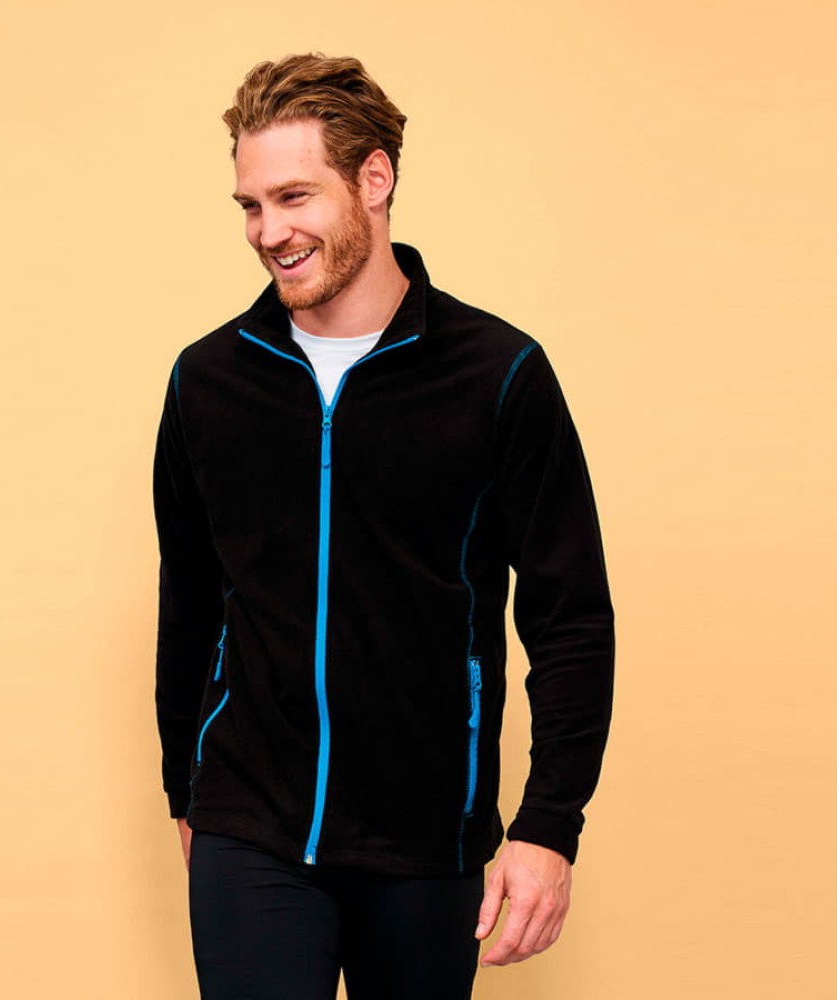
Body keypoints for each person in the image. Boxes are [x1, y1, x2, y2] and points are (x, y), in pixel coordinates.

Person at [153, 53, 614, 1000]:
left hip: (426, 838)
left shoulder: (498, 375)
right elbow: (190, 598)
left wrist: (548, 827)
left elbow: (570, 616)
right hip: (250, 825)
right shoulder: (210, 380)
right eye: (250, 206)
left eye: (294, 197)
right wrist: (186, 792)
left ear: (374, 178)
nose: (269, 232)